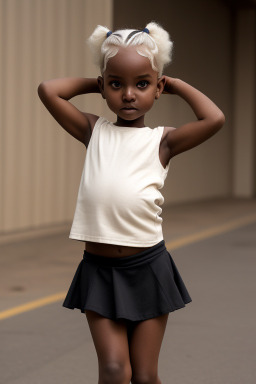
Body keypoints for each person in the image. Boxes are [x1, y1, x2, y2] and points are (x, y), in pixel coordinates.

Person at [38, 21, 225, 384]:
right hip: (99, 271)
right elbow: (49, 91)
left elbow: (214, 118)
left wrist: (174, 85)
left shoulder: (162, 142)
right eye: (115, 84)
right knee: (113, 370)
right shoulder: (94, 132)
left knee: (144, 376)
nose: (128, 94)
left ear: (157, 88)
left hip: (148, 269)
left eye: (141, 84)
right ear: (103, 88)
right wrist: (96, 80)